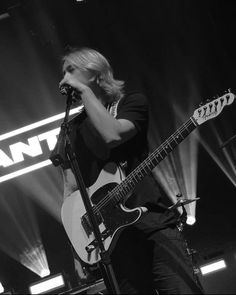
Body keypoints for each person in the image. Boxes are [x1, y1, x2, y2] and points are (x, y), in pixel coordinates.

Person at [57, 46, 204, 294]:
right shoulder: (70, 130)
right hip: (112, 243)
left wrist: (84, 92)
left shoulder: (132, 103)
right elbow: (70, 190)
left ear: (95, 73)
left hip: (153, 224)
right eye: (63, 72)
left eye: (71, 69)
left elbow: (112, 134)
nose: (64, 78)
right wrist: (76, 250)